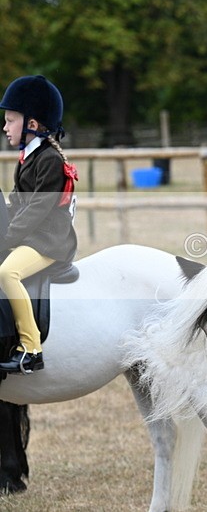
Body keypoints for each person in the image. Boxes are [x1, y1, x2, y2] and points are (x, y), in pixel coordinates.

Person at [0, 75, 78, 374]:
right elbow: (18, 201)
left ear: (32, 124)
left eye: (10, 120)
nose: (5, 127)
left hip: (49, 240)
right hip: (33, 234)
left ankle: (31, 350)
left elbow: (37, 209)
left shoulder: (49, 160)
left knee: (8, 273)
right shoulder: (26, 158)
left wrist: (7, 237)